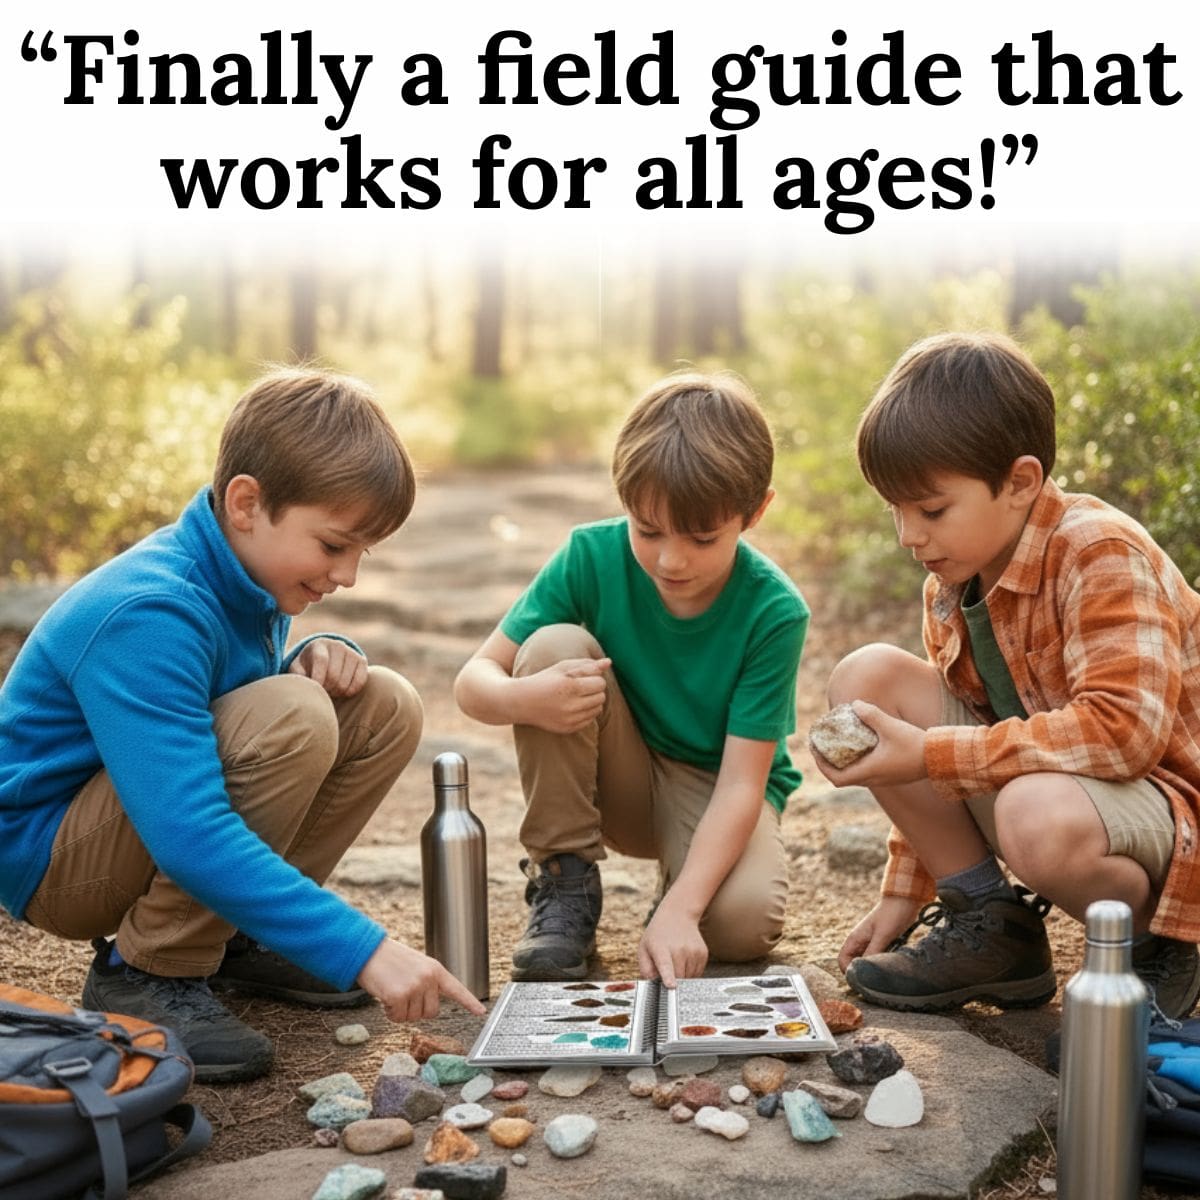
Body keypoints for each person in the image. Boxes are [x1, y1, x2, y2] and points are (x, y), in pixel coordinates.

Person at [0, 367, 485, 1083]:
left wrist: (312, 655)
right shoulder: (150, 611)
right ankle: (147, 972)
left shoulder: (245, 572)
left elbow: (222, 703)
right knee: (293, 716)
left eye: (361, 553)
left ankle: (230, 941)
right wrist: (364, 949)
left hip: (127, 818)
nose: (347, 575)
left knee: (381, 703)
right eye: (332, 545)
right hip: (52, 858)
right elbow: (191, 829)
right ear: (247, 503)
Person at [815, 331, 1200, 1020]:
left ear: (1020, 482)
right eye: (895, 509)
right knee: (867, 678)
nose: (909, 535)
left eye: (931, 510)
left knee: (1032, 812)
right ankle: (990, 923)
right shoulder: (952, 582)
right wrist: (904, 890)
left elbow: (1125, 735)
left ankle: (1154, 942)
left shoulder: (1097, 549)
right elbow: (953, 745)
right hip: (1062, 788)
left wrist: (929, 752)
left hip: (1168, 807)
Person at [454, 371, 809, 987]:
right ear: (624, 503)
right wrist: (524, 697)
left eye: (702, 538)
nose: (671, 560)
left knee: (740, 926)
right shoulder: (590, 556)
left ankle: (679, 884)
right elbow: (473, 682)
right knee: (550, 648)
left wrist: (683, 908)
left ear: (755, 513)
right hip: (621, 770)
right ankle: (565, 881)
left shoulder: (774, 610)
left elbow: (741, 784)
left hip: (713, 784)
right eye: (648, 531)